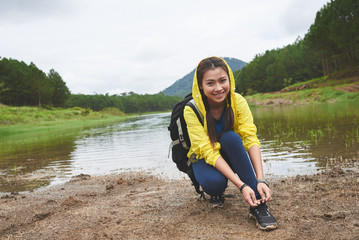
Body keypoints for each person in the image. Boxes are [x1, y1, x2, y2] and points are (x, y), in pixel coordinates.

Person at [183, 56, 277, 230]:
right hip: (204, 157)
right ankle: (216, 192)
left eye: (222, 81)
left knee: (231, 138)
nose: (218, 88)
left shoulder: (237, 101)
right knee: (214, 184)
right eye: (210, 83)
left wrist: (260, 179)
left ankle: (258, 205)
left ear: (229, 80)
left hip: (229, 151)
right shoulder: (191, 110)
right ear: (201, 86)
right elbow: (208, 151)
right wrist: (241, 186)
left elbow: (250, 137)